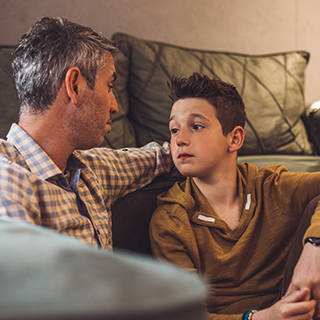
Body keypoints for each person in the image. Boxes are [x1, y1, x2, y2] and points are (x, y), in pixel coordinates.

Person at [149, 73, 320, 319]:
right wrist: (263, 317)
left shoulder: (271, 186)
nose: (179, 140)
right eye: (174, 129)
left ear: (235, 138)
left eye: (196, 126)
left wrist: (315, 245)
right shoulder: (171, 219)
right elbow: (186, 314)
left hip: (297, 304)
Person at [0, 17, 174, 251]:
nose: (115, 106)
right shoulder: (8, 181)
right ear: (74, 86)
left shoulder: (89, 169)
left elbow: (165, 156)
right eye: (109, 87)